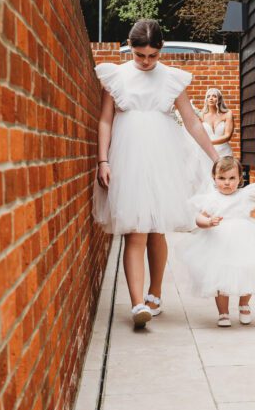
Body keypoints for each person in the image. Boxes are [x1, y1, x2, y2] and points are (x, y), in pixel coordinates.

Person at [94, 19, 219, 328]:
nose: (147, 62)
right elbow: (106, 120)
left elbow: (191, 121)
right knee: (135, 229)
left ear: (160, 50)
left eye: (153, 55)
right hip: (128, 156)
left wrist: (216, 158)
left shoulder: (171, 79)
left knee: (156, 228)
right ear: (130, 47)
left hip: (164, 157)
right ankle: (137, 304)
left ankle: (155, 292)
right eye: (140, 55)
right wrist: (102, 160)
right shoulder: (117, 76)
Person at [180, 157, 255, 327]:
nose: (227, 183)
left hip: (244, 240)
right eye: (222, 178)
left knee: (247, 270)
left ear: (240, 179)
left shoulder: (245, 195)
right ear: (214, 178)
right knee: (220, 276)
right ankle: (223, 313)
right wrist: (208, 222)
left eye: (232, 178)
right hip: (219, 242)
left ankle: (244, 304)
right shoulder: (212, 199)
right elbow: (199, 218)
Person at [201, 88, 235, 158]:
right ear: (206, 100)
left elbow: (227, 136)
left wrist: (208, 142)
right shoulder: (201, 115)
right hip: (206, 152)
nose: (211, 98)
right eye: (208, 96)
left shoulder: (228, 114)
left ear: (219, 99)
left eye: (214, 96)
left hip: (224, 152)